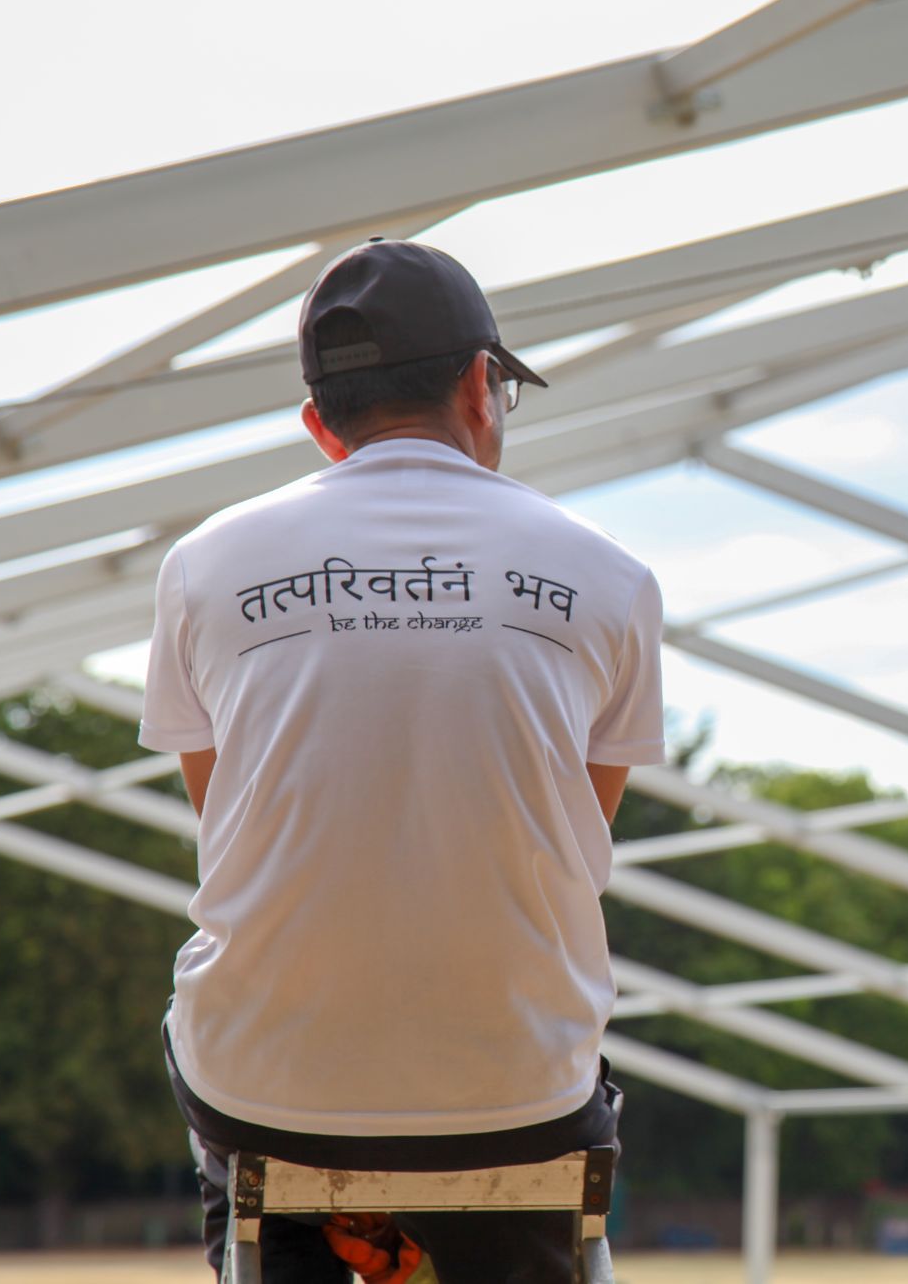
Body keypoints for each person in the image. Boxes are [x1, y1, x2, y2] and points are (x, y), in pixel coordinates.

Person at [138, 238, 668, 1284]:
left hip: (267, 1092)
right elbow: (567, 833)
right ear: (482, 388)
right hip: (518, 1096)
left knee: (227, 1053)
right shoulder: (608, 577)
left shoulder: (203, 566)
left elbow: (231, 823)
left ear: (318, 426)